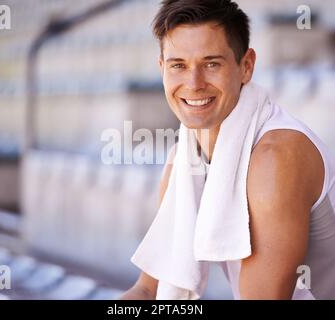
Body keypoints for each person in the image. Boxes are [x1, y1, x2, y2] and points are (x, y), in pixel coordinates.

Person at [120, 0, 335, 300]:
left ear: (246, 66)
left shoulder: (275, 159)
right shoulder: (184, 160)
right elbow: (146, 290)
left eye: (211, 64)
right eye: (178, 65)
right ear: (162, 69)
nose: (193, 84)